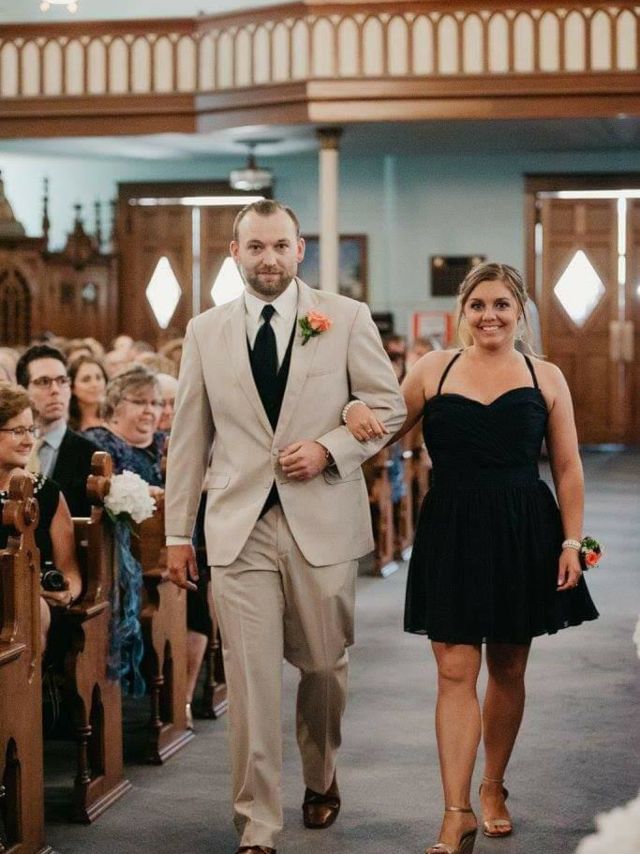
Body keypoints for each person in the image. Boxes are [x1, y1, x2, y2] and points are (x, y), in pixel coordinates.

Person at [164, 199, 406, 854]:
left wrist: (330, 447)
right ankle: (257, 823)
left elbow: (389, 407)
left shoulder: (345, 317)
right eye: (255, 247)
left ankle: (321, 775)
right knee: (249, 683)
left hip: (321, 519)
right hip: (237, 526)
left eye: (279, 246)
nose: (267, 258)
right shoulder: (205, 331)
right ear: (234, 254)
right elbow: (189, 438)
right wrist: (178, 534)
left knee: (323, 666)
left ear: (300, 250)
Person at [344, 262, 598, 854]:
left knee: (508, 667)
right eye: (478, 305)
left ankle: (492, 785)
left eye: (502, 304)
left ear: (520, 312)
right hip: (452, 528)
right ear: (463, 311)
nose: (489, 316)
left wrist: (572, 542)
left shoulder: (545, 375)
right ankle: (454, 812)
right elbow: (381, 431)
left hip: (522, 531)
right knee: (454, 671)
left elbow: (568, 468)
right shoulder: (432, 369)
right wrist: (352, 410)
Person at [0, 382, 82, 652]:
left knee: (32, 608)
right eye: (17, 431)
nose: (29, 441)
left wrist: (66, 593)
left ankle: (31, 680)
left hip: (39, 610)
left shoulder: (48, 493)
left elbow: (69, 569)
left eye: (31, 430)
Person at [16, 345, 99, 518]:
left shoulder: (89, 454)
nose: (55, 390)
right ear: (22, 390)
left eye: (62, 381)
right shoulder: (6, 444)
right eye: (44, 382)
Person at [84, 365, 165, 492]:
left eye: (155, 403)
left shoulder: (165, 443)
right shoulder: (94, 443)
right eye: (139, 402)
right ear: (115, 404)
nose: (149, 410)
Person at [68, 354, 108, 432]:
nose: (95, 384)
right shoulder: (64, 424)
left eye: (98, 378)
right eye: (86, 380)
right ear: (72, 387)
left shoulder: (114, 418)